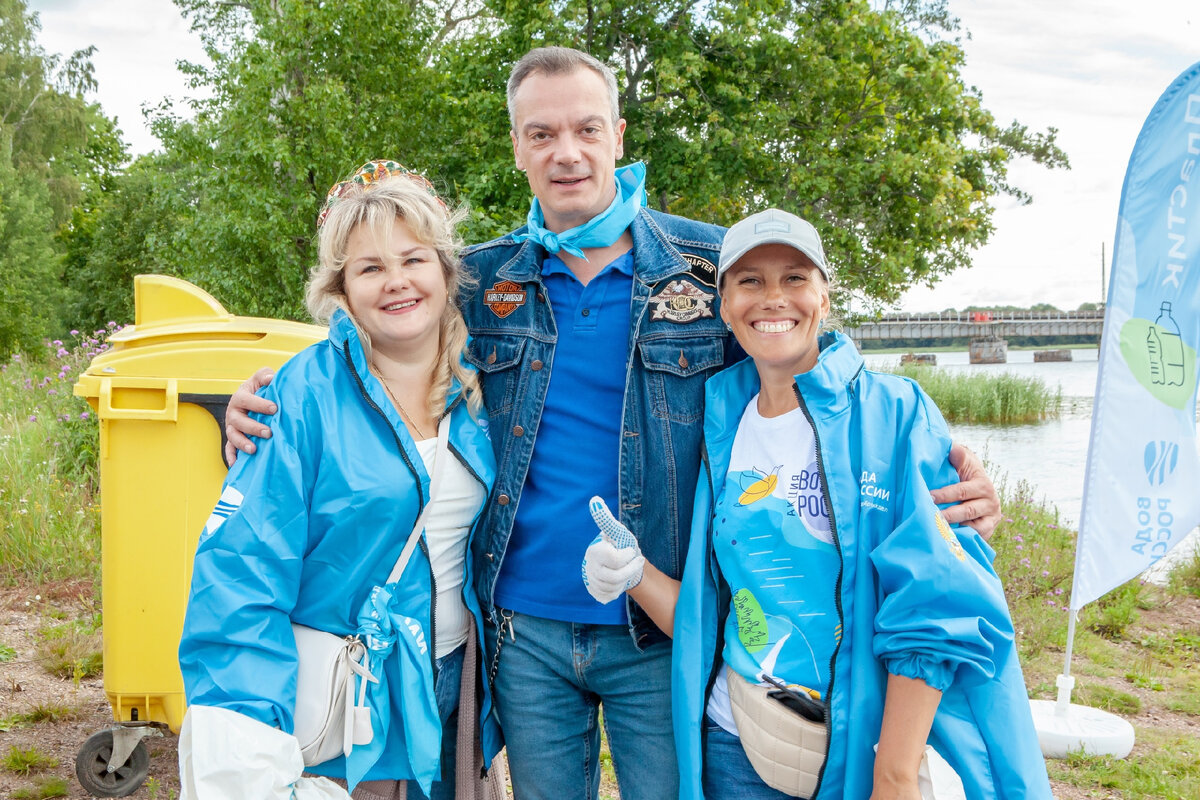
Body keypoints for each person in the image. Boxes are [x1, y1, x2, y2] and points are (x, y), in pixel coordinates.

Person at [221, 48, 1003, 800]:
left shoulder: (707, 271)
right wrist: (263, 400)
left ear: (618, 137)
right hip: (523, 633)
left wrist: (930, 467)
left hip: (663, 627)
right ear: (519, 150)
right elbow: (376, 332)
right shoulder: (481, 280)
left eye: (586, 129)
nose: (567, 152)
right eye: (543, 134)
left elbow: (813, 357)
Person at [583, 209, 1051, 799]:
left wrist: (895, 774)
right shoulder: (719, 421)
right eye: (749, 281)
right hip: (733, 744)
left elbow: (936, 605)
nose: (773, 298)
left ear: (825, 295)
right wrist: (635, 573)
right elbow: (715, 620)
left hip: (861, 753)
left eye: (795, 278)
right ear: (724, 306)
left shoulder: (894, 413)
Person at [178, 162, 503, 800]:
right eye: (370, 268)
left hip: (459, 696)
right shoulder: (299, 396)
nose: (397, 282)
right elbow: (241, 573)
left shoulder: (490, 382)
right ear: (342, 289)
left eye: (413, 259)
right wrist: (248, 742)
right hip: (348, 708)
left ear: (445, 269)